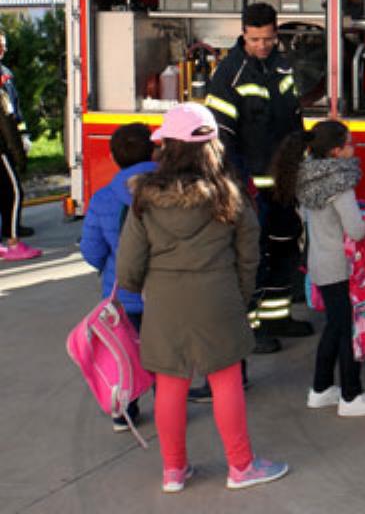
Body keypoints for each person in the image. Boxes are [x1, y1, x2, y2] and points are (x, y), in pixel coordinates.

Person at [115, 103, 288, 493]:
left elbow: (128, 266)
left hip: (165, 303)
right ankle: (241, 467)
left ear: (166, 146)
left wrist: (142, 289)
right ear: (213, 146)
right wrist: (239, 295)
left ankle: (173, 471)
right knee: (226, 380)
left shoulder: (143, 198)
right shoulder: (228, 194)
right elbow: (249, 255)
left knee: (170, 384)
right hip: (218, 297)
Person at [205, 2, 308, 353]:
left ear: (276, 33)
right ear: (243, 34)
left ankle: (277, 316)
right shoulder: (229, 75)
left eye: (267, 38)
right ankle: (249, 329)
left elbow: (294, 119)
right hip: (250, 186)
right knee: (252, 257)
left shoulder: (282, 66)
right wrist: (236, 185)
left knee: (285, 247)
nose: (262, 45)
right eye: (254, 39)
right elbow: (221, 138)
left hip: (283, 183)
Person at [272, 120, 365, 418]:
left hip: (319, 264)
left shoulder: (306, 178)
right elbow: (356, 230)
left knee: (335, 326)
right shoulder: (340, 184)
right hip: (341, 266)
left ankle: (322, 388)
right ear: (336, 152)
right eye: (350, 143)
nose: (355, 148)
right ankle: (351, 395)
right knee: (348, 329)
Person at [79, 122, 156, 431]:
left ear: (113, 157)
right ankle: (169, 407)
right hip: (165, 292)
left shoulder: (102, 199)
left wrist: (108, 267)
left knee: (124, 354)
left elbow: (91, 250)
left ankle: (125, 411)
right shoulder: (172, 191)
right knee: (164, 357)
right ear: (154, 152)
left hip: (122, 294)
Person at [0, 30, 36, 261]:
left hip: (7, 143)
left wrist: (24, 136)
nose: (3, 49)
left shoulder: (6, 74)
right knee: (14, 191)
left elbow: (16, 113)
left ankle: (10, 229)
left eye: (4, 45)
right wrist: (17, 151)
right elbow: (6, 119)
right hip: (2, 147)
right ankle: (13, 241)